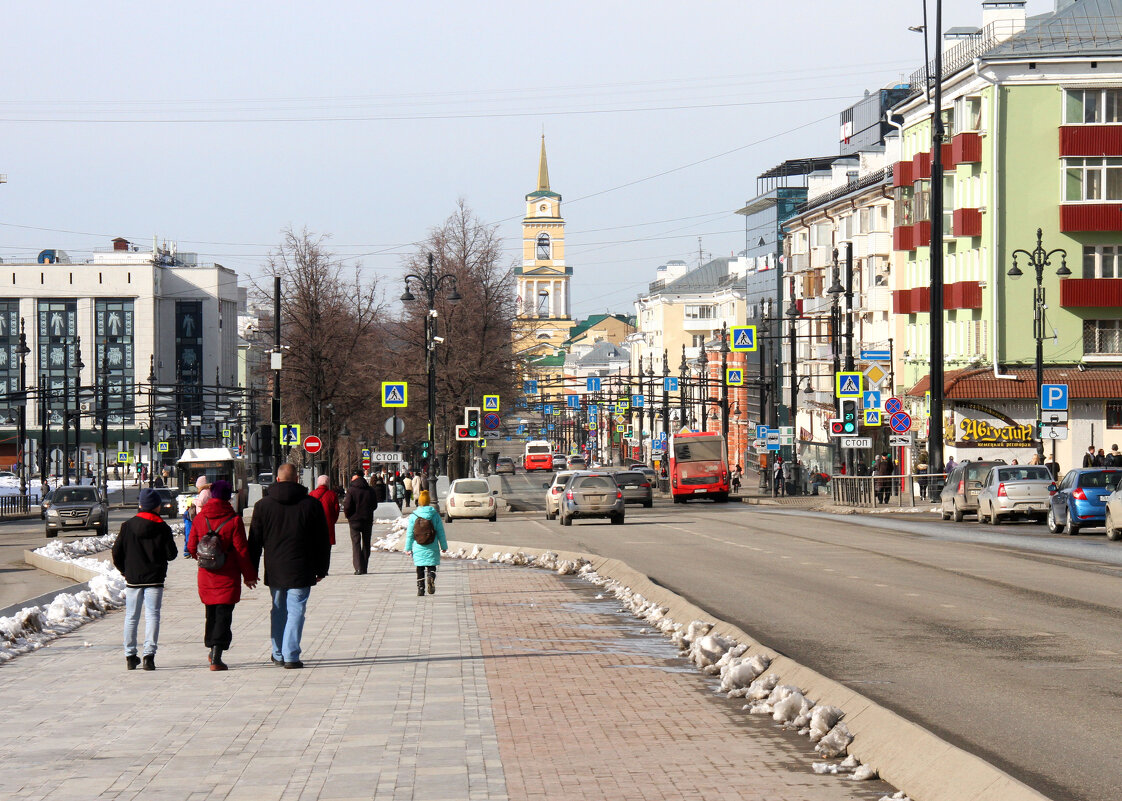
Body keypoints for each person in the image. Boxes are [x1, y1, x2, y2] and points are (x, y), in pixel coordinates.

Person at [248, 463, 331, 669]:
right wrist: (321, 568)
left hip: (275, 568)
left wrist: (250, 570)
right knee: (296, 611)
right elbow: (322, 540)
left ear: (277, 479)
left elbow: (255, 542)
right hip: (302, 567)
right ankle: (291, 655)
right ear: (297, 480)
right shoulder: (311, 505)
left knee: (278, 609)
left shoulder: (263, 506)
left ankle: (278, 653)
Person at [187, 480, 257, 671]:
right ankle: (217, 654)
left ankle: (212, 648)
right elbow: (242, 551)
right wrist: (249, 575)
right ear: (228, 497)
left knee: (210, 613)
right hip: (228, 575)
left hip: (207, 575)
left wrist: (204, 559)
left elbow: (191, 547)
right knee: (224, 614)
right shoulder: (233, 520)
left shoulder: (201, 519)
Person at [111, 488, 178, 671]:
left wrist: (125, 571)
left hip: (133, 579)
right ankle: (149, 656)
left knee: (131, 617)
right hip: (155, 579)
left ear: (141, 505)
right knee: (152, 615)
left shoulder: (128, 526)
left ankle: (130, 656)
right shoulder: (162, 527)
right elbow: (171, 554)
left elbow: (116, 552)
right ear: (156, 506)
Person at [405, 490, 447, 596]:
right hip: (432, 545)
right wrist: (444, 546)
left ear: (419, 502)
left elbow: (410, 533)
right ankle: (431, 576)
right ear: (429, 502)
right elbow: (440, 532)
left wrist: (408, 547)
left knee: (419, 567)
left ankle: (420, 588)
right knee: (431, 565)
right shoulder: (434, 515)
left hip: (418, 546)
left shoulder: (414, 515)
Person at [342, 473, 377, 575]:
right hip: (367, 519)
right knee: (366, 543)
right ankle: (364, 567)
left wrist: (348, 515)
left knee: (356, 543)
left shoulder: (351, 490)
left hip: (354, 521)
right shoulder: (370, 490)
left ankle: (358, 568)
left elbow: (347, 505)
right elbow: (374, 505)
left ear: (356, 477)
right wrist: (368, 511)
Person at [309, 475, 340, 547]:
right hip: (328, 524)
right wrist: (333, 520)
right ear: (328, 483)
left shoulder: (312, 494)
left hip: (314, 524)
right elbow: (336, 510)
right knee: (327, 546)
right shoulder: (332, 495)